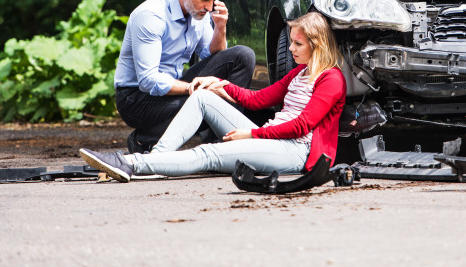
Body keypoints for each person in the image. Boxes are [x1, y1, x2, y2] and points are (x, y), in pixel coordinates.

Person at [80, 11, 346, 181]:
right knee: (202, 97)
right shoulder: (299, 73)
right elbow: (258, 99)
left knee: (209, 153)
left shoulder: (331, 79)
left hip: (296, 151)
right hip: (271, 137)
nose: (290, 49)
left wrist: (251, 135)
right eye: (291, 41)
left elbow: (302, 126)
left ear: (317, 45)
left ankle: (131, 164)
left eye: (298, 44)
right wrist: (219, 84)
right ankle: (156, 160)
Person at [114, 0, 255, 154]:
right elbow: (148, 80)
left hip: (173, 86)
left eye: (213, 0)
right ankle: (145, 140)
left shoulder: (199, 11)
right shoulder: (151, 15)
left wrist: (220, 28)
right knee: (205, 99)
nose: (209, 7)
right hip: (136, 98)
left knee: (241, 56)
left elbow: (214, 57)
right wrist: (194, 89)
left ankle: (227, 141)